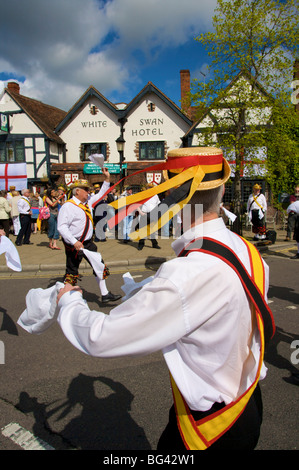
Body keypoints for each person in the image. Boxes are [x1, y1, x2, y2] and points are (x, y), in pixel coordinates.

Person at [56, 147, 274, 451]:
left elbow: (100, 338)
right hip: (248, 402)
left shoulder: (184, 275)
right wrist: (148, 289)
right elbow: (209, 301)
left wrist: (69, 302)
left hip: (210, 426)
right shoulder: (245, 249)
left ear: (171, 197)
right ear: (222, 190)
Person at [57, 171, 121, 304]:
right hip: (74, 245)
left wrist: (107, 178)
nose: (88, 192)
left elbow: (102, 193)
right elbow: (62, 227)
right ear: (77, 192)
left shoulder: (88, 203)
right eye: (85, 190)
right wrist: (74, 242)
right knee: (72, 271)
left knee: (99, 265)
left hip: (88, 243)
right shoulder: (68, 206)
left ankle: (105, 294)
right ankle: (66, 298)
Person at [137, 183, 161, 250]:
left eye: (151, 188)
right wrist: (140, 212)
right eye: (148, 188)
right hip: (144, 214)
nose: (149, 189)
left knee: (152, 231)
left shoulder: (155, 196)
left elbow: (158, 205)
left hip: (152, 215)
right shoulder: (143, 195)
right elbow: (137, 204)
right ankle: (141, 244)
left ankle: (154, 244)